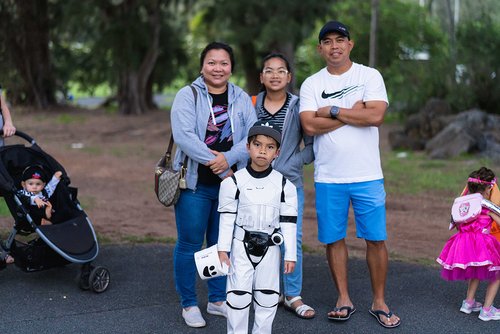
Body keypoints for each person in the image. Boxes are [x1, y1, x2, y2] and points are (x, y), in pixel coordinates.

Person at [299, 20, 401, 328]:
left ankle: (379, 301)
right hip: (329, 176)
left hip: (367, 175)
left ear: (350, 44)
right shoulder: (311, 84)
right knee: (334, 239)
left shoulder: (369, 76)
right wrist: (352, 113)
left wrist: (330, 110)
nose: (334, 46)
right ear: (320, 49)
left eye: (339, 40)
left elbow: (376, 116)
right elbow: (308, 125)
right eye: (327, 41)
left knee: (376, 239)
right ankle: (343, 298)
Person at [170, 41, 257, 328]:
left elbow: (252, 137)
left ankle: (217, 299)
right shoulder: (188, 95)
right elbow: (184, 137)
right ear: (202, 66)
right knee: (190, 244)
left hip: (230, 186)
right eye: (211, 62)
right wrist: (220, 167)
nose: (217, 68)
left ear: (231, 67)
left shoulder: (242, 98)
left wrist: (230, 158)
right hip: (194, 185)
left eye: (223, 63)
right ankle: (189, 304)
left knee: (223, 244)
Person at [217, 120, 297, 333]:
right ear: (248, 147)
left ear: (277, 153)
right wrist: (222, 249)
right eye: (257, 145)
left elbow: (288, 222)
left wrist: (290, 255)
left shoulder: (285, 186)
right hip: (241, 246)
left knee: (267, 298)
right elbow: (226, 217)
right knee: (237, 299)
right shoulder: (232, 183)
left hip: (270, 248)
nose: (263, 151)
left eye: (269, 147)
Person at [254, 53, 315, 319]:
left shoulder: (300, 106)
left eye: (281, 71)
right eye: (269, 70)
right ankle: (268, 292)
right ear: (261, 77)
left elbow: (313, 147)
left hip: (289, 185)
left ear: (289, 77)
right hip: (255, 186)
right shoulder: (252, 104)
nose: (275, 75)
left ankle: (292, 295)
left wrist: (292, 164)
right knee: (259, 237)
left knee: (292, 239)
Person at [437, 167, 500, 321]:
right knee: (497, 273)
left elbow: (455, 224)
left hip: (463, 242)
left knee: (476, 270)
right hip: (483, 242)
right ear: (489, 187)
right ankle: (486, 310)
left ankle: (468, 303)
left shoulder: (461, 203)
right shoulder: (487, 205)